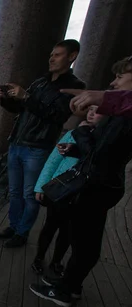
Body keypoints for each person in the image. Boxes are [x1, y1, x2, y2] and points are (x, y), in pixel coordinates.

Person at [30, 55, 132, 307]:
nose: (113, 81)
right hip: (104, 183)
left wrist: (83, 131)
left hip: (96, 186)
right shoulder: (120, 116)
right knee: (83, 239)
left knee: (83, 242)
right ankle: (70, 284)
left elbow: (100, 153)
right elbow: (101, 152)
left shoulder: (123, 118)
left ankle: (66, 290)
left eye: (120, 76)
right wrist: (75, 149)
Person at [0, 39, 86, 248]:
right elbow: (21, 110)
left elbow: (57, 116)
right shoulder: (40, 82)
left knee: (30, 193)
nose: (51, 58)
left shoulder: (75, 87)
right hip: (17, 143)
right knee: (15, 191)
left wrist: (26, 96)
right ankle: (13, 225)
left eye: (57, 54)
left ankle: (22, 232)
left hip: (37, 148)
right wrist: (8, 98)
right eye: (51, 54)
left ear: (72, 56)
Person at [31, 106, 104, 276]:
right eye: (90, 109)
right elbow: (52, 161)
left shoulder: (102, 138)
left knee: (68, 231)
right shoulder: (72, 133)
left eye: (98, 110)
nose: (91, 113)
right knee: (50, 226)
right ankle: (39, 258)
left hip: (80, 193)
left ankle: (56, 261)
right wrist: (41, 186)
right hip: (60, 189)